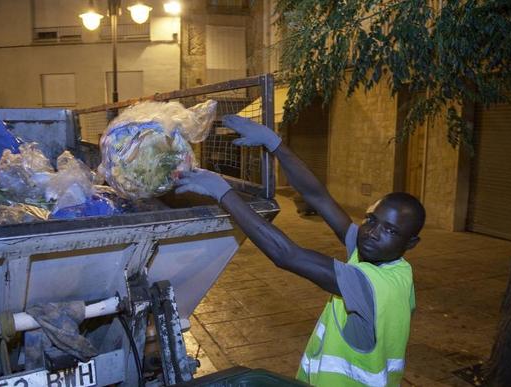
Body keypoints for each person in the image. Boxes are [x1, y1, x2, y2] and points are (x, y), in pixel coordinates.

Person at [176, 115, 425, 387]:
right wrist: (275, 144)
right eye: (371, 220)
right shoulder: (387, 260)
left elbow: (287, 255)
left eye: (390, 230)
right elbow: (319, 197)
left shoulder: (372, 285)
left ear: (411, 243)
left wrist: (222, 193)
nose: (372, 232)